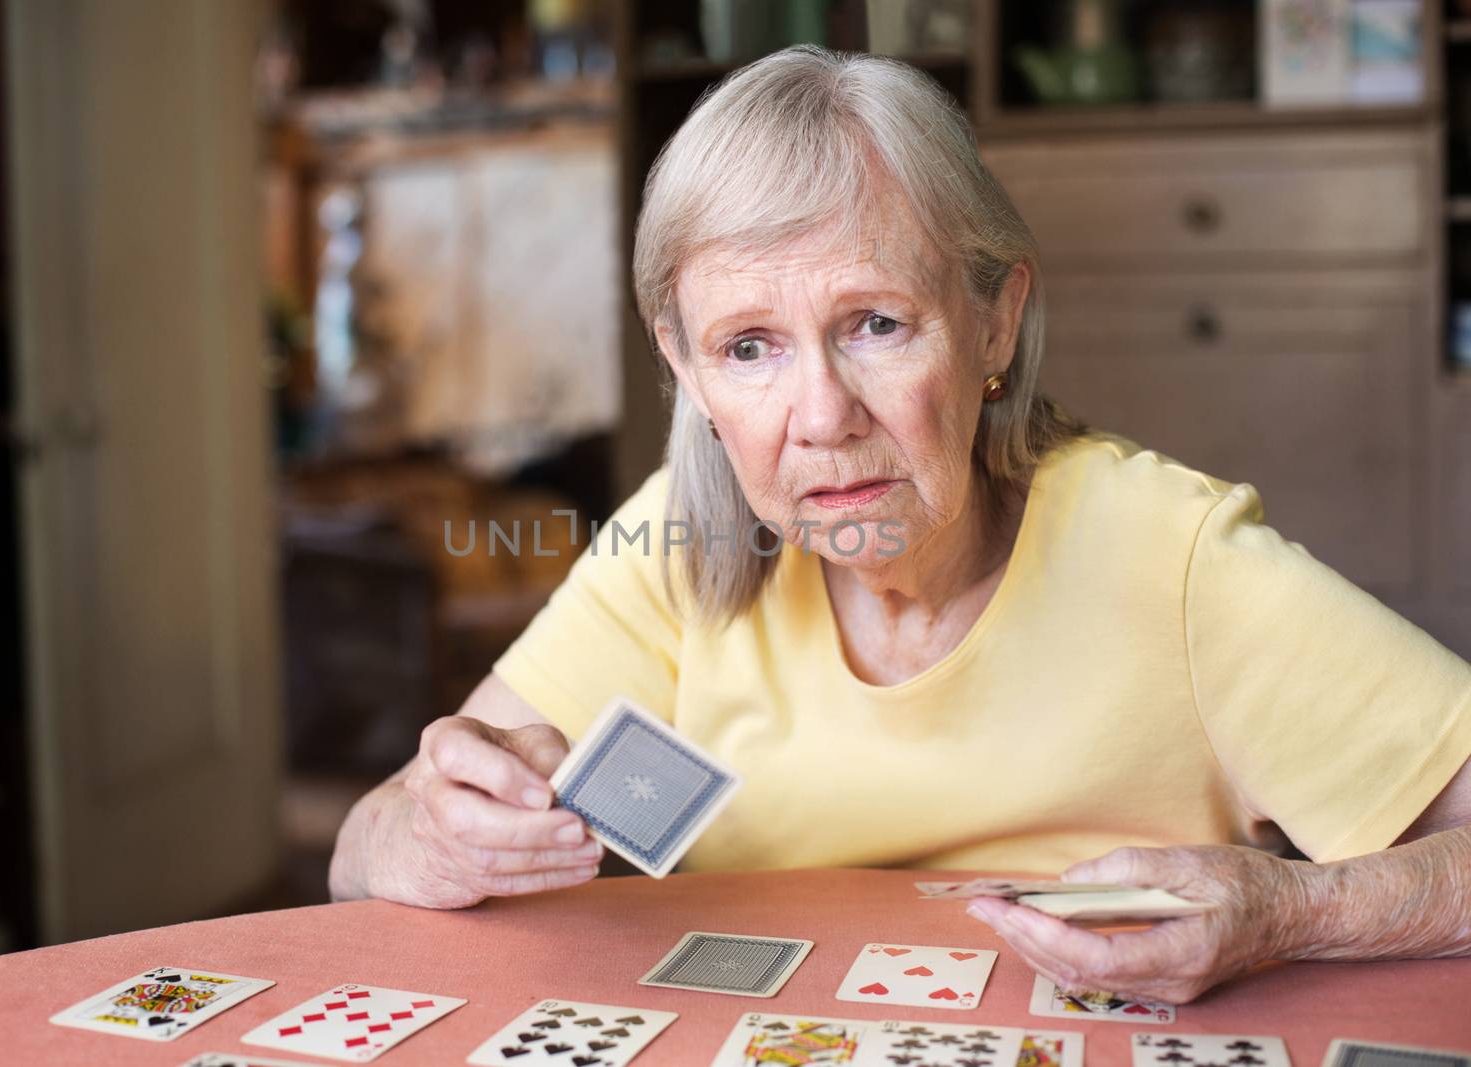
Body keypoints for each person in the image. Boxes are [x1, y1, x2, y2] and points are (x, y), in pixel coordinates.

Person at [330, 46, 1471, 1004]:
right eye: (747, 348)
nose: (820, 416)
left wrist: (1282, 909)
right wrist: (432, 831)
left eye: (875, 321)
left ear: (992, 324)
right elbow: (358, 852)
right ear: (682, 368)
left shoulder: (1171, 559)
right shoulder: (679, 542)